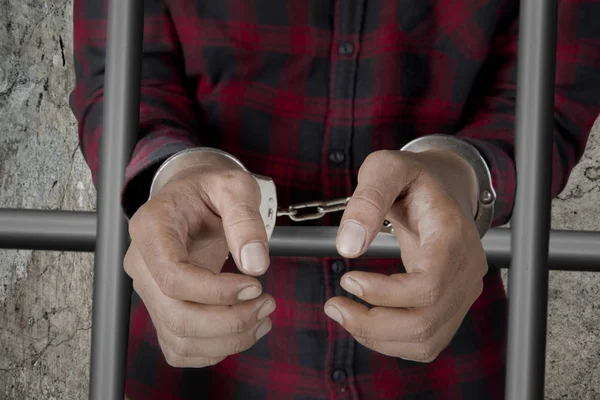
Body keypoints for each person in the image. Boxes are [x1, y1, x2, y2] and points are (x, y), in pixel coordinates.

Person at [69, 0, 600, 399]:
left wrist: (458, 174)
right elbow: (117, 80)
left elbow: (553, 90)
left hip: (445, 358)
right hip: (188, 362)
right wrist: (174, 173)